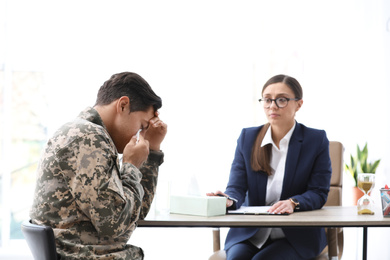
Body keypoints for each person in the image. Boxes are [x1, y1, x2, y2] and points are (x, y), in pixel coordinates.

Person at [30, 72, 167, 260]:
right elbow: (115, 226)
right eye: (142, 126)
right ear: (123, 105)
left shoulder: (93, 136)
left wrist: (152, 153)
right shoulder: (87, 137)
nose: (140, 136)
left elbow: (134, 214)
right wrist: (131, 165)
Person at [207, 74, 332, 260]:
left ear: (299, 104)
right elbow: (236, 187)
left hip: (295, 237)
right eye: (267, 99)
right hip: (250, 234)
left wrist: (293, 202)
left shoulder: (315, 140)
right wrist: (229, 200)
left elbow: (318, 192)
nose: (272, 106)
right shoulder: (248, 138)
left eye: (281, 100)